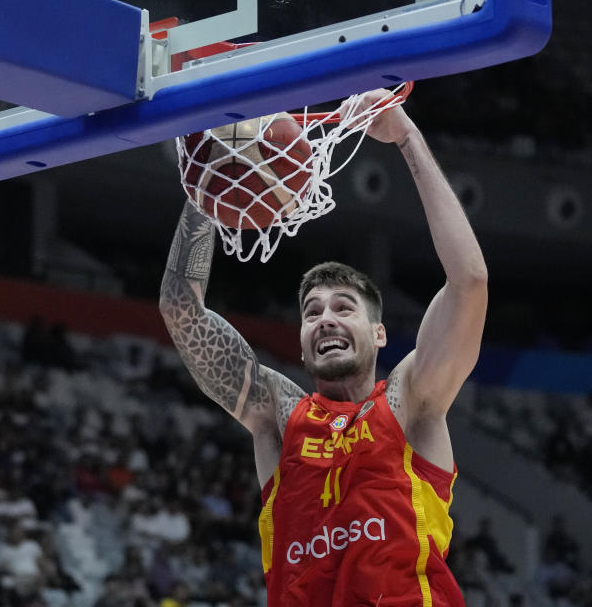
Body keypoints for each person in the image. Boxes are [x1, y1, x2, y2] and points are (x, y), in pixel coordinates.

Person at [159, 89, 488, 605]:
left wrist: (407, 138)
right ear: (302, 339)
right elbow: (182, 308)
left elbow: (469, 281)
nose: (325, 319)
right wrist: (211, 179)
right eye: (312, 312)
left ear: (379, 333)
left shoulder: (411, 401)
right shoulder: (280, 414)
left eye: (343, 307)